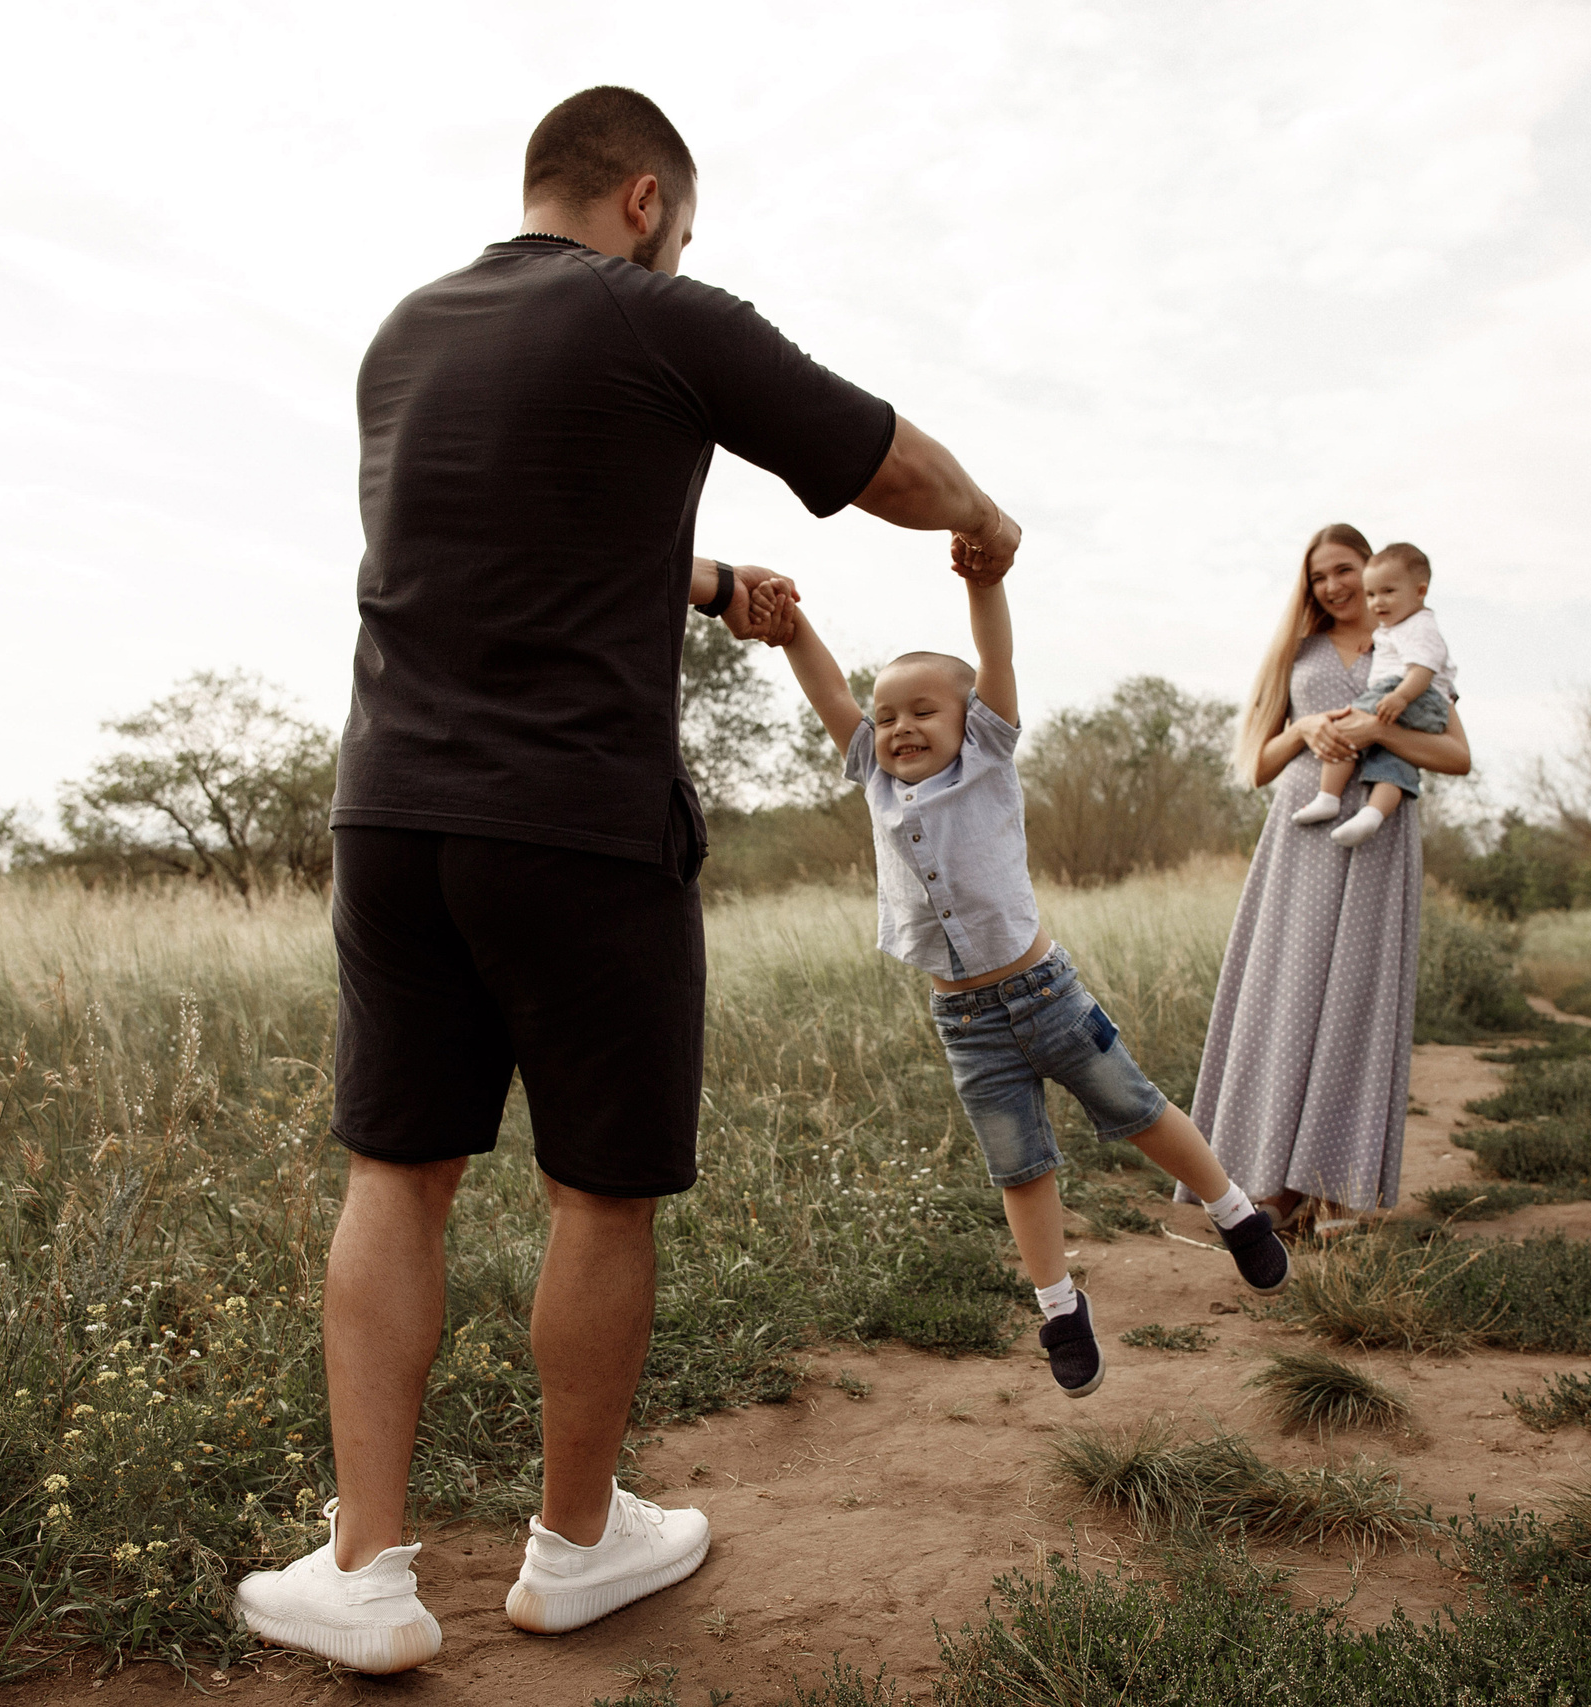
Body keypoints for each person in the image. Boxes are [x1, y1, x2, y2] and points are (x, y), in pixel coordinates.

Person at [232, 86, 1024, 1674]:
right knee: (598, 1187)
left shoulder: (403, 335)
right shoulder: (662, 312)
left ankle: (365, 1569)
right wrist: (986, 520)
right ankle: (577, 1544)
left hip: (393, 815)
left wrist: (714, 580)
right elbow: (884, 461)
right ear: (646, 198)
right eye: (682, 226)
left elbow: (518, 542)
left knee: (397, 1171)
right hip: (579, 823)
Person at [772, 568, 1291, 1399]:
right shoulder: (873, 774)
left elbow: (995, 653)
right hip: (966, 1023)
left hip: (1048, 995)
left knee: (1138, 1108)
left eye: (922, 710)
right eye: (887, 714)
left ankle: (1235, 1212)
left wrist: (985, 579)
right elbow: (829, 690)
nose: (900, 726)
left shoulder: (988, 754)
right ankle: (1059, 1308)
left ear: (969, 718)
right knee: (1019, 1166)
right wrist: (791, 626)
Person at [1183, 524, 1473, 1236]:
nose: (1335, 586)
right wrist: (1305, 727)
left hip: (1379, 838)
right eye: (1320, 576)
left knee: (1355, 1006)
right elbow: (1258, 765)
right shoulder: (1299, 651)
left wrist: (1380, 734)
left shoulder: (1411, 646)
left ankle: (1336, 1189)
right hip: (1301, 839)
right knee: (1285, 1000)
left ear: (1373, 572)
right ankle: (1271, 1185)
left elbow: (1457, 756)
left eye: (1345, 570)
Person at [1286, 542, 1456, 848]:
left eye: (1388, 592)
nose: (1378, 602)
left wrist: (1400, 698)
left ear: (1420, 591)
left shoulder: (1421, 626)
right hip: (1414, 700)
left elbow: (1423, 668)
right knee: (1395, 765)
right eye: (1372, 594)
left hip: (1406, 693)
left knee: (1345, 728)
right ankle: (1373, 815)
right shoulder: (1393, 630)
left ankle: (1328, 796)